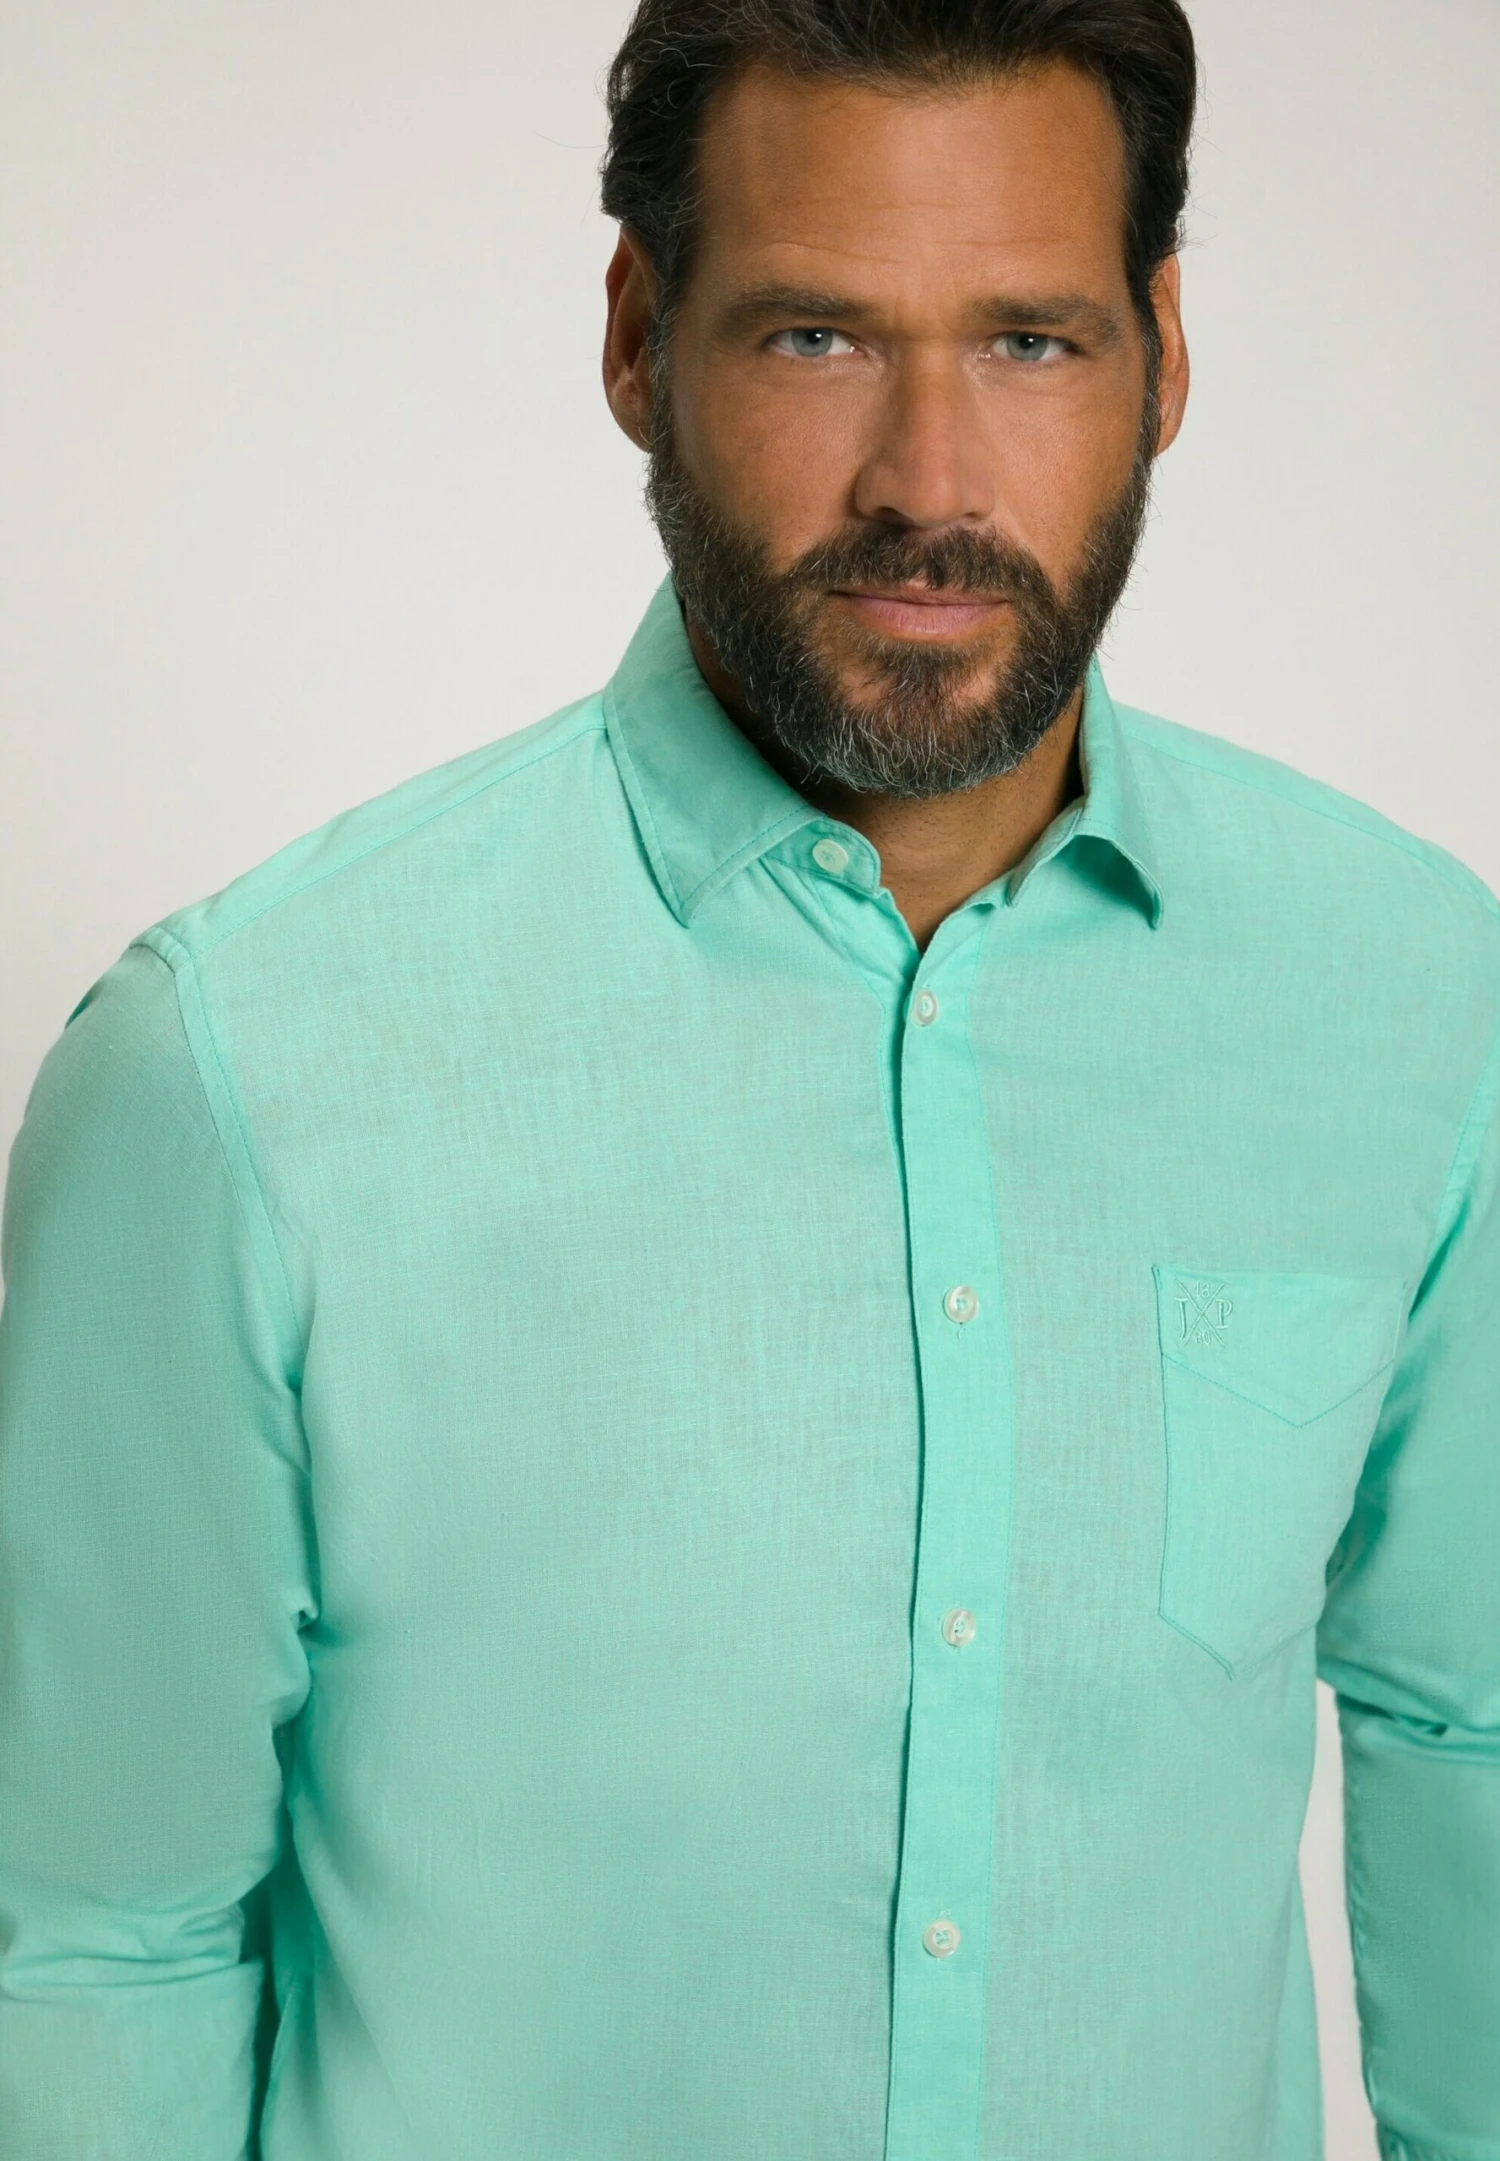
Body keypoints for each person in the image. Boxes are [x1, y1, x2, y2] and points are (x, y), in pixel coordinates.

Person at [1, 1, 1496, 2156]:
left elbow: (1472, 1742)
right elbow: (92, 1940)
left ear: (1164, 354)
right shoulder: (236, 1074)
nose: (929, 484)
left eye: (1032, 342)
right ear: (638, 338)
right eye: (816, 337)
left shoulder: (1417, 1004)